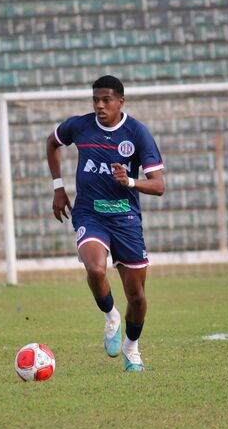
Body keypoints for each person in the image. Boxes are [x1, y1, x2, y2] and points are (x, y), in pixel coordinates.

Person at [46, 75, 165, 372]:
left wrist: (131, 181)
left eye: (106, 100)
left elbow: (159, 185)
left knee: (137, 298)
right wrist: (58, 187)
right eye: (96, 100)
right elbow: (52, 143)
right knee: (96, 268)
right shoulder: (80, 126)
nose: (99, 106)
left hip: (125, 218)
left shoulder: (137, 133)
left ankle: (131, 347)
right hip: (90, 214)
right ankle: (111, 316)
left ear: (120, 102)